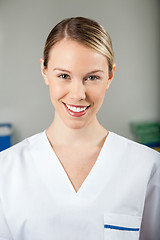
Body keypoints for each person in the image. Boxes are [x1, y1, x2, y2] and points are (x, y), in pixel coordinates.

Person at [0, 17, 159, 240]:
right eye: (63, 76)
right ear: (44, 71)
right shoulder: (6, 170)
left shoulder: (148, 167)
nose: (77, 94)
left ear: (110, 76)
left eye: (92, 77)